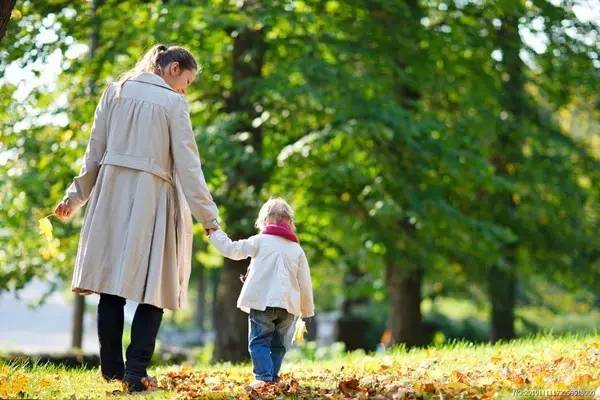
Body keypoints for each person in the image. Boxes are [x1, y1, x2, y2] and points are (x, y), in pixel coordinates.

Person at [54, 44, 220, 392]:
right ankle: (136, 373)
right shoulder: (174, 104)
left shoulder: (114, 92)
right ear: (173, 68)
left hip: (110, 196)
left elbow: (93, 152)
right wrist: (208, 217)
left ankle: (113, 370)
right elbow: (189, 167)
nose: (184, 89)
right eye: (186, 81)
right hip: (153, 200)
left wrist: (75, 197)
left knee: (110, 289)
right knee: (154, 290)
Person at [208, 197, 314, 389]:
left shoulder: (259, 241)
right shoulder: (296, 249)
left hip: (263, 304)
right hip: (288, 307)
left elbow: (232, 250)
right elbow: (304, 282)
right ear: (290, 223)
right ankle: (272, 377)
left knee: (259, 341)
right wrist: (306, 311)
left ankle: (264, 378)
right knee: (278, 345)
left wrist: (215, 234)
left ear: (264, 221)